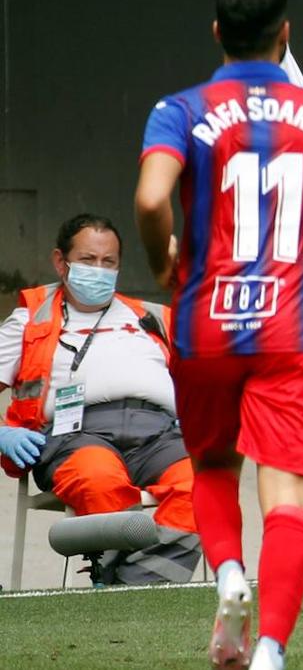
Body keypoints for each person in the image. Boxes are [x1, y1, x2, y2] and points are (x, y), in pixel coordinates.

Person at [135, 0, 303, 670]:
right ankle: (272, 649)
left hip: (206, 326)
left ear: (217, 32)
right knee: (288, 496)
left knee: (213, 464)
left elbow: (153, 197)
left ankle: (228, 576)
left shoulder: (179, 109)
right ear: (287, 34)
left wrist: (164, 264)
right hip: (293, 330)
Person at [0, 213, 200, 585]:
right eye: (88, 260)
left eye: (109, 263)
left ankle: (130, 589)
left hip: (159, 434)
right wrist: (2, 434)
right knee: (99, 479)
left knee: (202, 484)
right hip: (76, 435)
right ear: (61, 262)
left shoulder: (152, 317)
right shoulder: (31, 318)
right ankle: (141, 592)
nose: (99, 270)